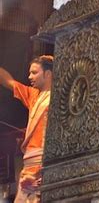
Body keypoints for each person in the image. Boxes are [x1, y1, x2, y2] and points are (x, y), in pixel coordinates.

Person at [0, 55, 54, 203]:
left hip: (45, 161)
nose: (29, 76)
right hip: (28, 163)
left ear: (48, 74)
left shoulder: (59, 99)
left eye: (34, 72)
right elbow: (9, 82)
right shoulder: (33, 94)